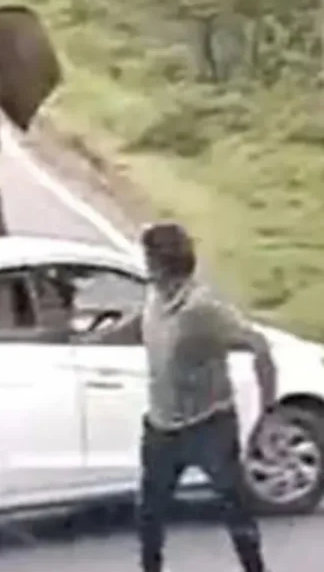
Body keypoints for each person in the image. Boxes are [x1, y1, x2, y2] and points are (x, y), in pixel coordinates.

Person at [137, 221, 277, 572]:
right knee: (149, 515)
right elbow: (145, 326)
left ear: (161, 265)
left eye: (149, 259)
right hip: (162, 426)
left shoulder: (203, 309)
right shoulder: (154, 295)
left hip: (208, 426)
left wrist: (267, 411)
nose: (145, 265)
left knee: (235, 508)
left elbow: (258, 345)